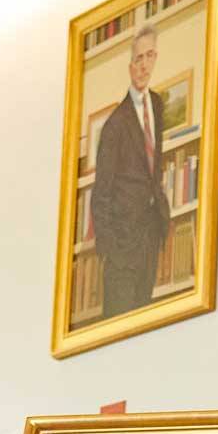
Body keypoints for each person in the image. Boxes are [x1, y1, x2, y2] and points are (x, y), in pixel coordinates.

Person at [90, 24, 171, 320]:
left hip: (149, 235)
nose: (144, 64)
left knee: (144, 325)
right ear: (130, 66)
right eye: (139, 58)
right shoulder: (115, 124)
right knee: (120, 324)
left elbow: (154, 168)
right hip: (122, 246)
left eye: (150, 56)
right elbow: (101, 194)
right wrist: (112, 251)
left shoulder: (158, 106)